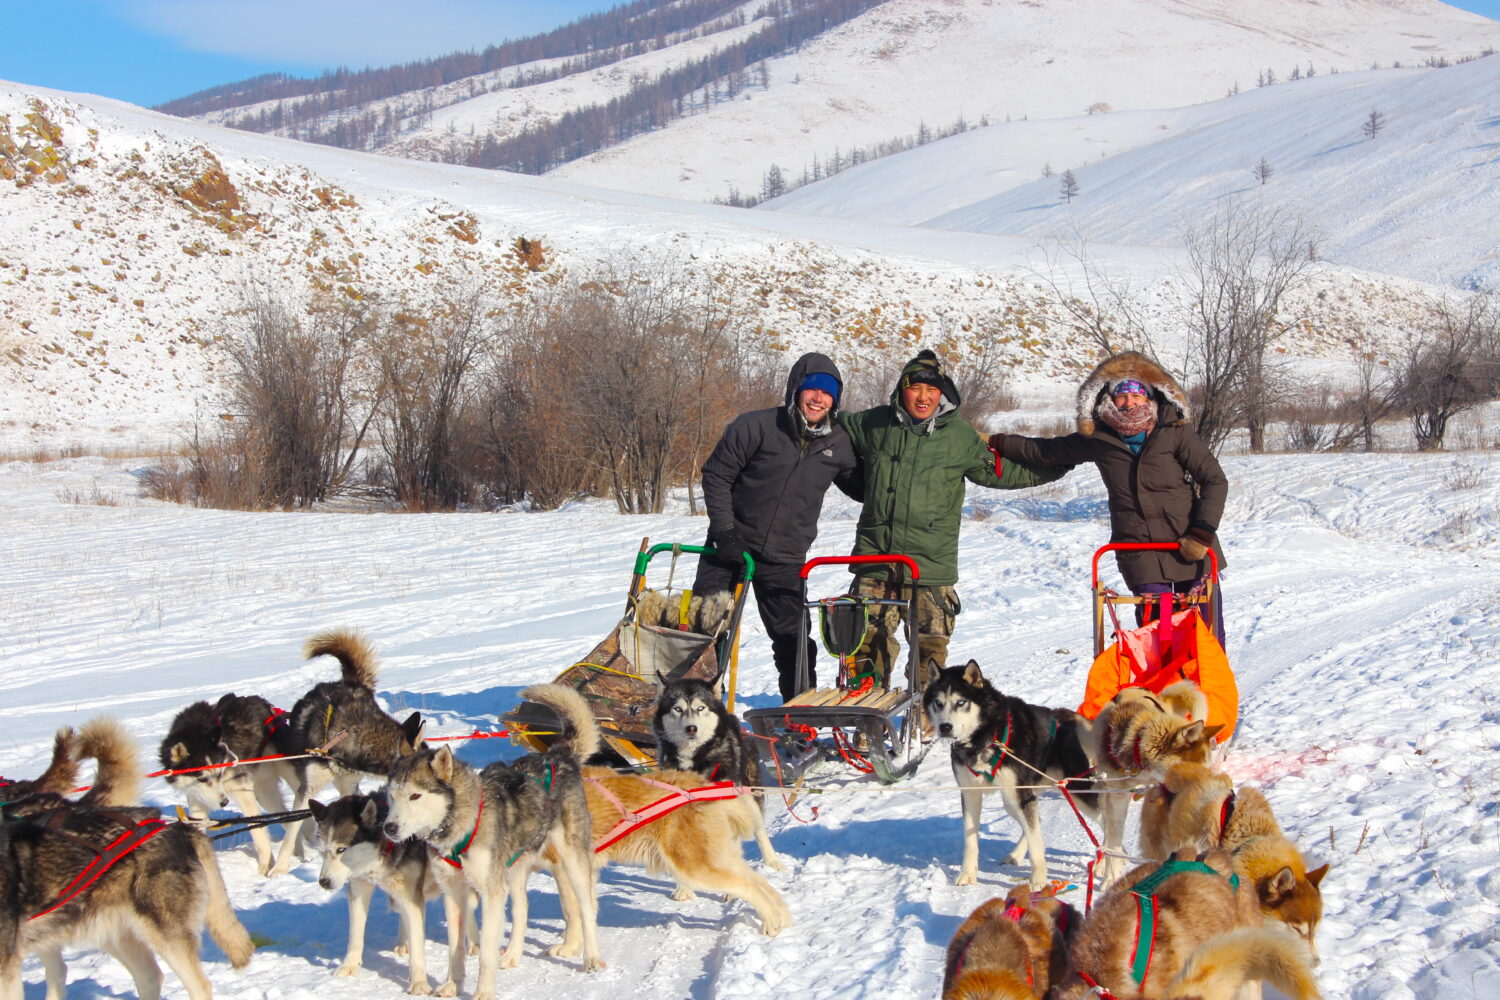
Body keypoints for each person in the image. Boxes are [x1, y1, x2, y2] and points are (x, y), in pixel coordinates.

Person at [839, 349, 1065, 696]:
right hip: (875, 560)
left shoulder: (959, 436)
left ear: (942, 393)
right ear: (902, 389)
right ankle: (869, 713)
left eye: (932, 390)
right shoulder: (874, 423)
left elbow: (1000, 473)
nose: (924, 397)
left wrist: (1060, 462)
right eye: (916, 389)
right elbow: (830, 425)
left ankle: (926, 716)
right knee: (867, 645)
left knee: (931, 650)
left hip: (931, 563)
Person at [990, 350, 1228, 643]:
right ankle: (1159, 688)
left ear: (1150, 398)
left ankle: (1211, 689)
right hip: (1140, 549)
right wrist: (997, 442)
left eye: (1137, 395)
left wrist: (1202, 533)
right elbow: (1046, 452)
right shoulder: (1100, 439)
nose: (1130, 402)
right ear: (1108, 399)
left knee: (1204, 633)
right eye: (1121, 396)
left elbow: (1214, 480)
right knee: (1158, 635)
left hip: (1191, 545)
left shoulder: (1174, 431)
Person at [694, 352, 862, 703]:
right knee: (703, 632)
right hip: (728, 547)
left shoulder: (839, 442)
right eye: (812, 390)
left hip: (785, 556)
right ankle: (690, 712)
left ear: (835, 400)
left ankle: (800, 716)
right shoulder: (756, 426)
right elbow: (717, 475)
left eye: (827, 393)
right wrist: (724, 531)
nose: (819, 399)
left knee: (794, 640)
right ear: (795, 390)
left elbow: (861, 487)